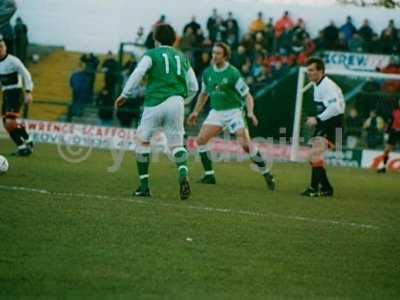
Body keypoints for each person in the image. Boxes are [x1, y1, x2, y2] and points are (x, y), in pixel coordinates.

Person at [115, 24, 199, 200]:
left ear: (156, 39)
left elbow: (138, 73)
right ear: (174, 39)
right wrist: (184, 101)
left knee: (142, 142)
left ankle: (144, 187)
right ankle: (183, 174)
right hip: (176, 102)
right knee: (177, 145)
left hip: (154, 102)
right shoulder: (182, 56)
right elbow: (194, 86)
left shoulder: (151, 54)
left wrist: (125, 93)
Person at [186, 42, 275, 190]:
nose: (214, 55)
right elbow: (203, 94)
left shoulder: (233, 73)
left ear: (225, 56)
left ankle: (266, 173)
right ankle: (209, 175)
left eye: (218, 53)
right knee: (201, 140)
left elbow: (247, 95)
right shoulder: (207, 73)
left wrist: (251, 112)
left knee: (246, 145)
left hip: (234, 112)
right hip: (216, 112)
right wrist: (195, 111)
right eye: (213, 52)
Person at [302, 57, 345, 197]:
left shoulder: (327, 85)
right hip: (326, 125)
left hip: (334, 126)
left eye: (311, 70)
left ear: (320, 71)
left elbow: (336, 108)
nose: (309, 73)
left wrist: (317, 119)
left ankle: (319, 188)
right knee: (313, 156)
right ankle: (322, 188)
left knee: (314, 154)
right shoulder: (317, 84)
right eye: (308, 70)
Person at [0, 35, 33, 156]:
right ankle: (24, 144)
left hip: (16, 92)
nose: (0, 49)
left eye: (1, 46)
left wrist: (28, 91)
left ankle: (26, 141)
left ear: (5, 47)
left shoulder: (13, 61)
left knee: (9, 122)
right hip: (6, 94)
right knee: (6, 123)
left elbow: (26, 74)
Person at [378, 99, 400, 173]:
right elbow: (390, 123)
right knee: (387, 150)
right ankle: (384, 167)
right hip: (394, 132)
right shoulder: (395, 112)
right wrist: (387, 132)